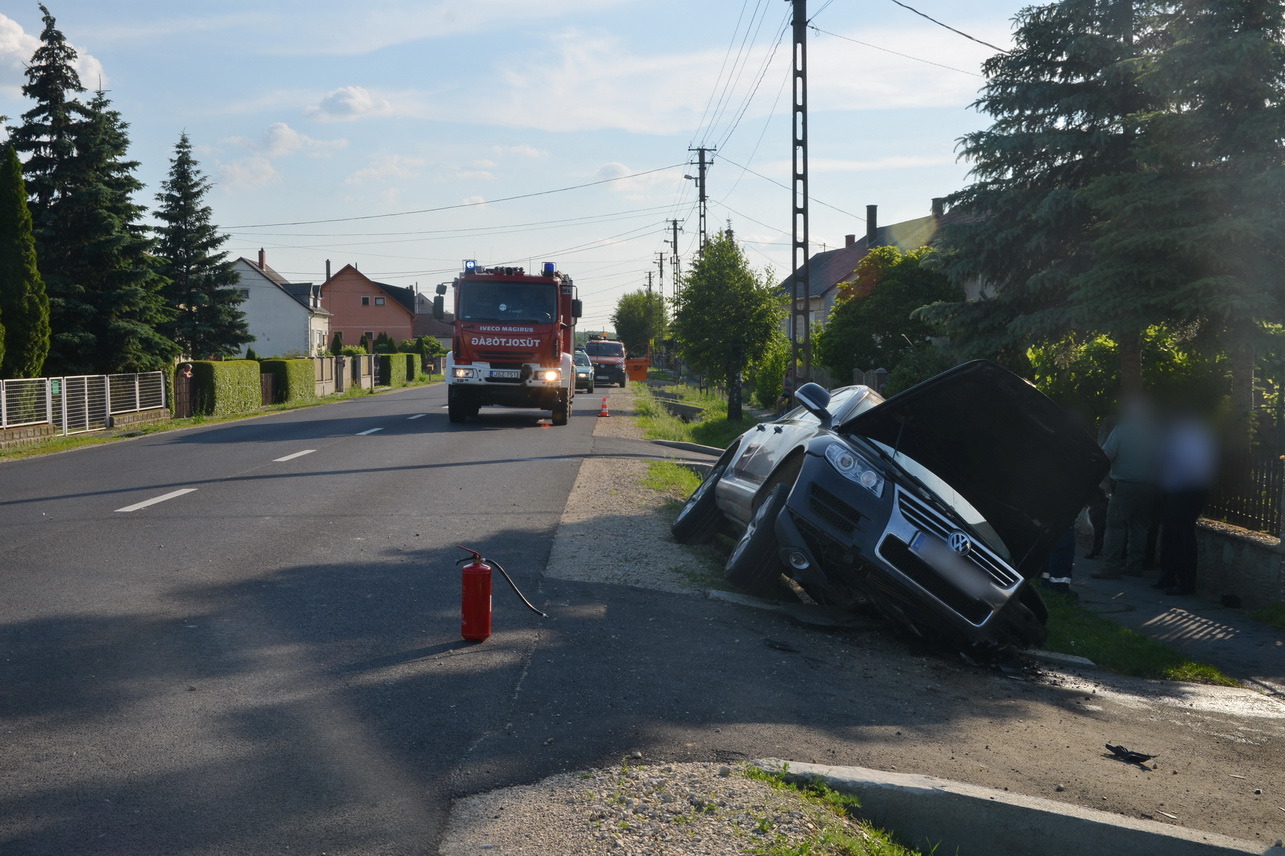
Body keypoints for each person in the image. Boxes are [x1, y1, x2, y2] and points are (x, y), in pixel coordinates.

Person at [1091, 395, 1162, 580]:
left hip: (1125, 487)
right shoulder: (1156, 432)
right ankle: (1134, 566)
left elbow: (1108, 456)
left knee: (1115, 526)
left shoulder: (1122, 430)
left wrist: (1101, 477)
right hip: (1149, 488)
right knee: (1140, 528)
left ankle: (1111, 567)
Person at [1153, 409, 1217, 595]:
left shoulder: (1195, 441)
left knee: (1182, 536)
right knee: (1169, 534)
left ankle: (1185, 583)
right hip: (1176, 491)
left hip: (1188, 492)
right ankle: (1167, 576)